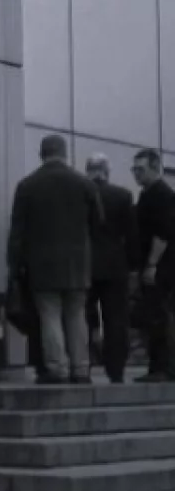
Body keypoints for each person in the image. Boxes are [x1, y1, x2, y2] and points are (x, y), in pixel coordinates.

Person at [7, 134, 103, 384]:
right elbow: (98, 224)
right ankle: (81, 368)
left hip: (42, 265)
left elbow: (17, 232)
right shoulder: (85, 184)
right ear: (65, 153)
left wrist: (14, 265)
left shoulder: (27, 186)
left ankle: (57, 368)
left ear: (42, 154)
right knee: (76, 314)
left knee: (49, 315)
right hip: (78, 264)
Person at [84, 153, 138, 383]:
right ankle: (116, 370)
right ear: (107, 171)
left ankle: (84, 365)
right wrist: (133, 266)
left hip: (85, 264)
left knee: (84, 316)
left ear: (88, 171)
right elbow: (131, 234)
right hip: (115, 265)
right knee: (116, 319)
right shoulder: (123, 195)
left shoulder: (81, 195)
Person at [131, 148, 175, 382]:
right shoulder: (148, 194)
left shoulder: (161, 195)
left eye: (141, 169)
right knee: (154, 315)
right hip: (156, 264)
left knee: (159, 315)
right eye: (134, 169)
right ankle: (158, 366)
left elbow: (163, 233)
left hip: (162, 266)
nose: (136, 174)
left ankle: (163, 368)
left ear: (155, 168)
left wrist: (151, 264)